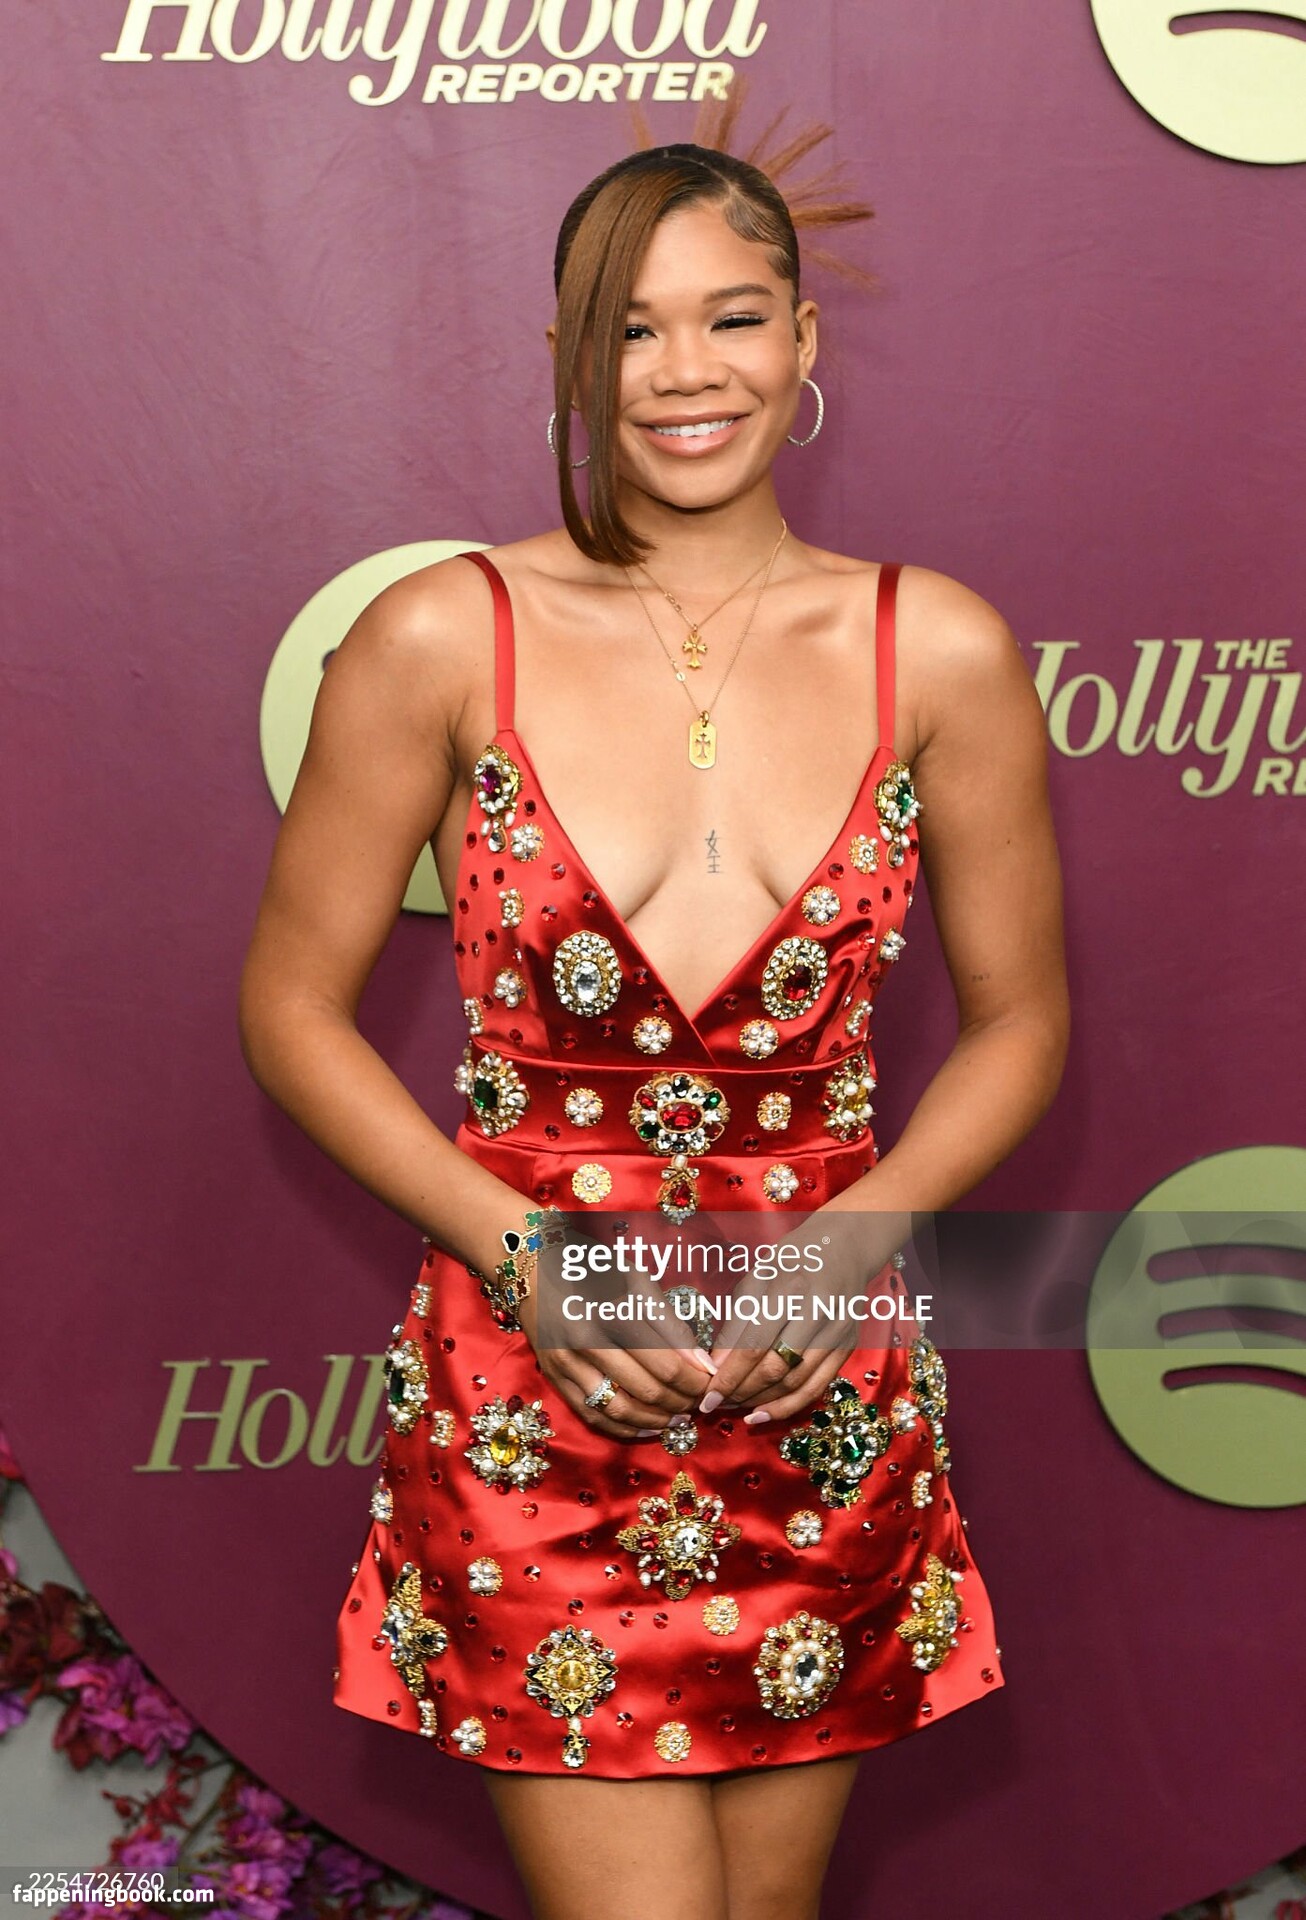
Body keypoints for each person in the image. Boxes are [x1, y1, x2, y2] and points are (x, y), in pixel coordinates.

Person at [239, 90, 1068, 1920]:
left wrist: (854, 1238)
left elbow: (1021, 1019)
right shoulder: (441, 634)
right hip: (536, 1382)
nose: (684, 373)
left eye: (731, 316)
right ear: (566, 356)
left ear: (803, 340)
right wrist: (523, 1257)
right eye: (629, 328)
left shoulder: (933, 646)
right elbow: (290, 1006)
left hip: (818, 1378)